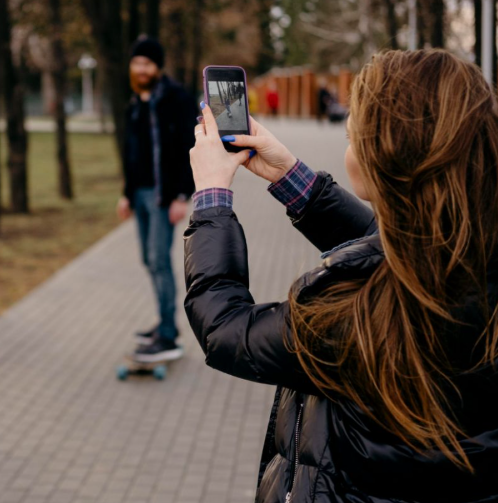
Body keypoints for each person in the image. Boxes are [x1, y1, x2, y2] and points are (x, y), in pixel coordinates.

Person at [186, 49, 498, 502]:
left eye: (354, 137)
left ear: (385, 157)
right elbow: (399, 247)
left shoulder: (354, 311)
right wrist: (291, 178)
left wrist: (212, 197)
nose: (348, 147)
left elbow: (226, 329)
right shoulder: (469, 260)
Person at [117, 36, 196, 362]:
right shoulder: (136, 102)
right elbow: (132, 154)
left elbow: (191, 146)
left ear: (158, 67)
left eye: (147, 63)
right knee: (149, 260)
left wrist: (182, 194)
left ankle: (168, 336)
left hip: (165, 196)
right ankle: (163, 324)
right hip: (140, 194)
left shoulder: (176, 98)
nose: (141, 68)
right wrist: (126, 193)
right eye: (137, 63)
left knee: (159, 261)